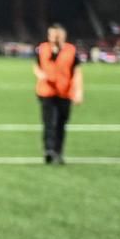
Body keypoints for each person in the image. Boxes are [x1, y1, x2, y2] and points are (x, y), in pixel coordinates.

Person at [34, 23, 83, 165]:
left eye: (57, 34)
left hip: (64, 91)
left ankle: (58, 151)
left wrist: (78, 91)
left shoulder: (71, 51)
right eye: (52, 34)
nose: (55, 37)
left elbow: (77, 71)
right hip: (47, 91)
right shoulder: (43, 49)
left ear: (63, 35)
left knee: (61, 122)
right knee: (49, 121)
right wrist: (40, 75)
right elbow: (36, 65)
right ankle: (48, 150)